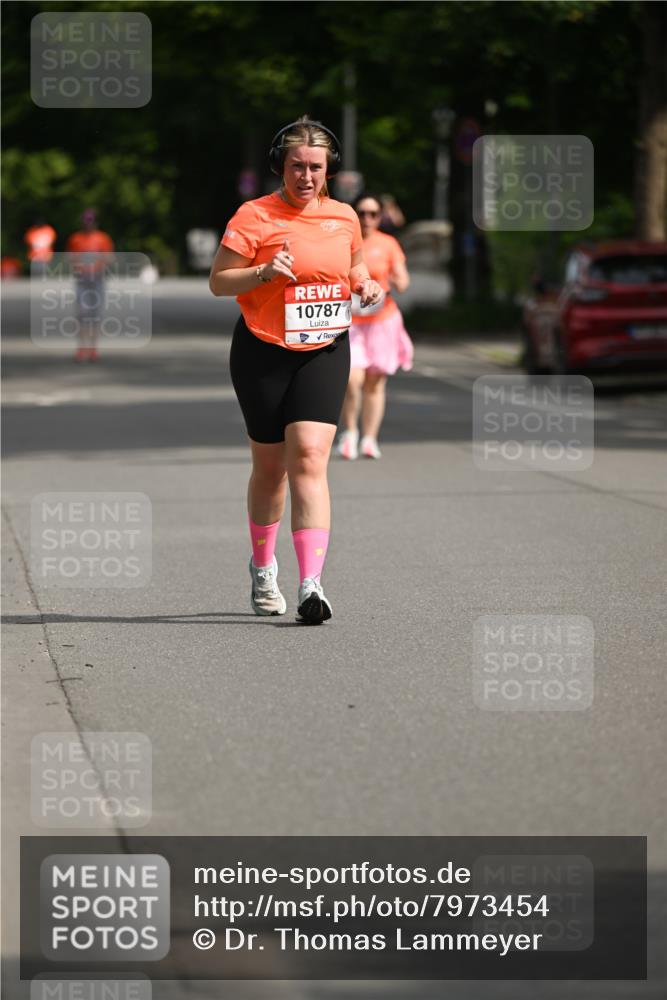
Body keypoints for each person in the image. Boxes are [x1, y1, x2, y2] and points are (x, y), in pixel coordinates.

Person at [209, 116, 383, 625]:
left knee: (308, 455)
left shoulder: (345, 217)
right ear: (280, 167)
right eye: (296, 166)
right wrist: (262, 272)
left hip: (325, 347)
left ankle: (312, 584)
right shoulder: (254, 215)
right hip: (262, 349)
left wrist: (365, 285)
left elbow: (354, 267)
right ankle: (264, 566)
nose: (306, 177)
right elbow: (220, 282)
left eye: (315, 168)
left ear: (329, 170)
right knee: (271, 468)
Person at [336, 192, 413, 460]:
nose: (366, 219)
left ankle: (369, 438)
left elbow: (402, 278)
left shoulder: (388, 244)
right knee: (352, 379)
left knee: (375, 381)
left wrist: (399, 281)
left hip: (382, 321)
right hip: (352, 322)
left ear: (380, 217)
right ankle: (350, 433)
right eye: (361, 213)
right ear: (354, 215)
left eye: (372, 214)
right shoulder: (344, 242)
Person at [65, 209, 114, 362]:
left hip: (97, 279)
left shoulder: (103, 238)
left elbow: (110, 258)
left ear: (95, 222)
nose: (88, 224)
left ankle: (93, 349)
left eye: (90, 221)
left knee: (95, 315)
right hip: (82, 279)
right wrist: (78, 263)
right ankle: (81, 349)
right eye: (86, 221)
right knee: (82, 314)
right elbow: (69, 257)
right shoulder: (75, 238)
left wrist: (99, 261)